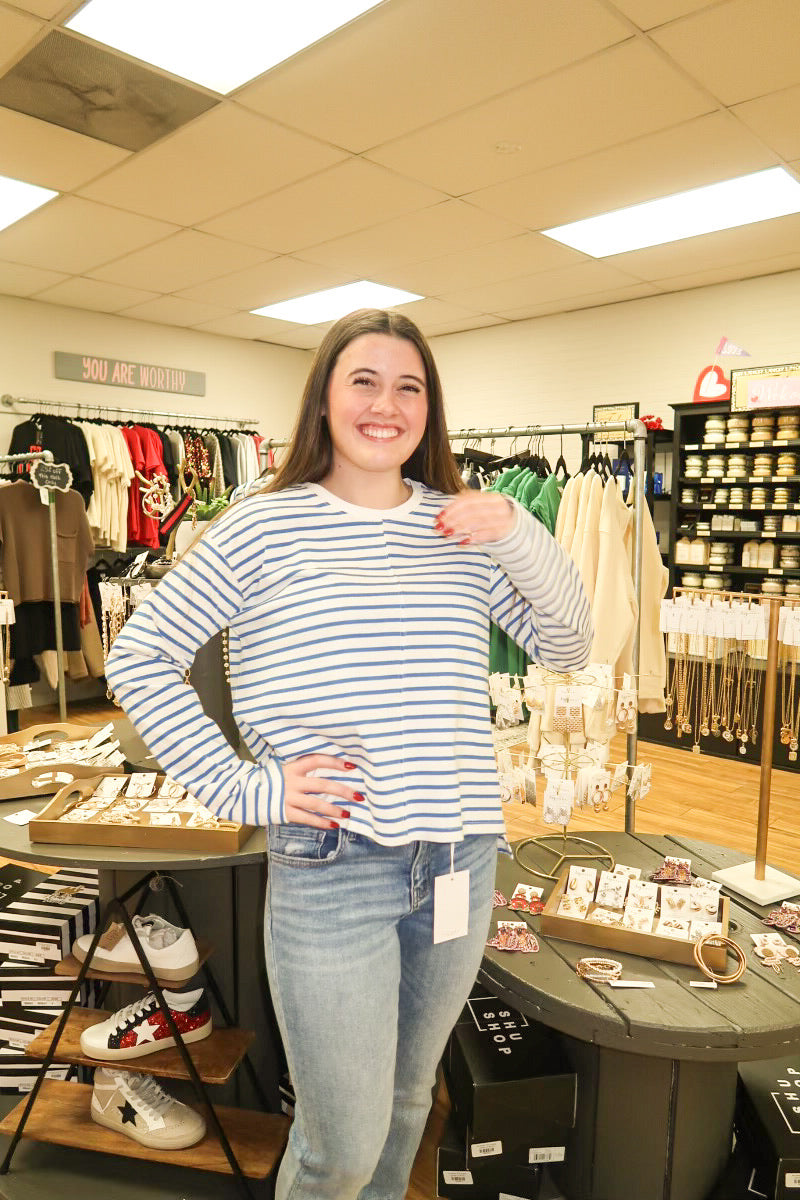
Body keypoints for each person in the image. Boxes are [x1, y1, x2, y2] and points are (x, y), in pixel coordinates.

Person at [105, 308, 592, 1200]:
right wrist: (243, 785)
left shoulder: (462, 531)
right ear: (324, 398)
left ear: (429, 409)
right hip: (333, 868)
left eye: (409, 386)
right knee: (341, 1143)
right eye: (363, 380)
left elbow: (568, 645)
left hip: (458, 858)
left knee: (409, 1105)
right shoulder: (262, 527)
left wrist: (518, 531)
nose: (386, 403)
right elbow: (137, 657)